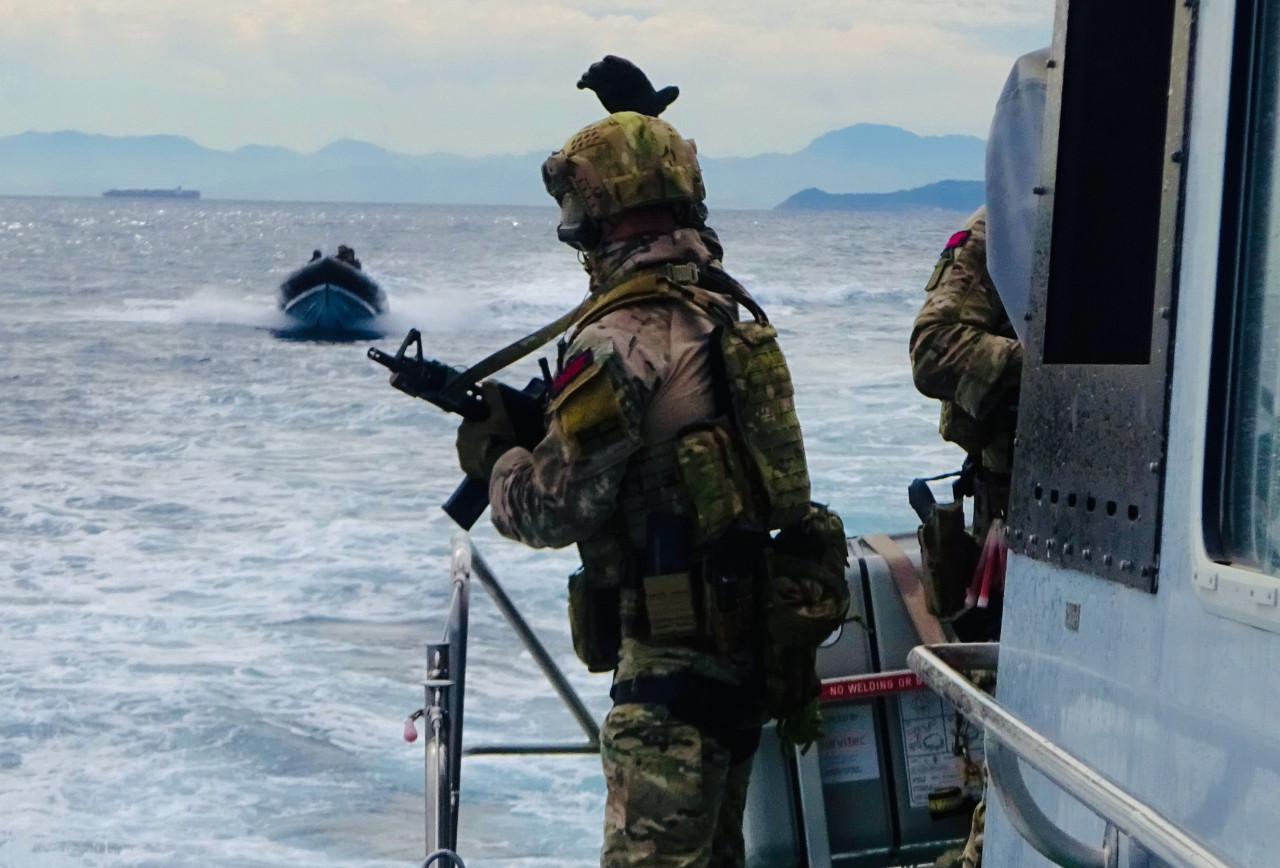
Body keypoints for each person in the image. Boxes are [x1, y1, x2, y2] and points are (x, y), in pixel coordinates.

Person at [453, 109, 821, 868]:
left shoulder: (619, 338)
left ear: (599, 216)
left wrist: (497, 461)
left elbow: (558, 509)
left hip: (670, 675)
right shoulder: (720, 310)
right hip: (744, 653)